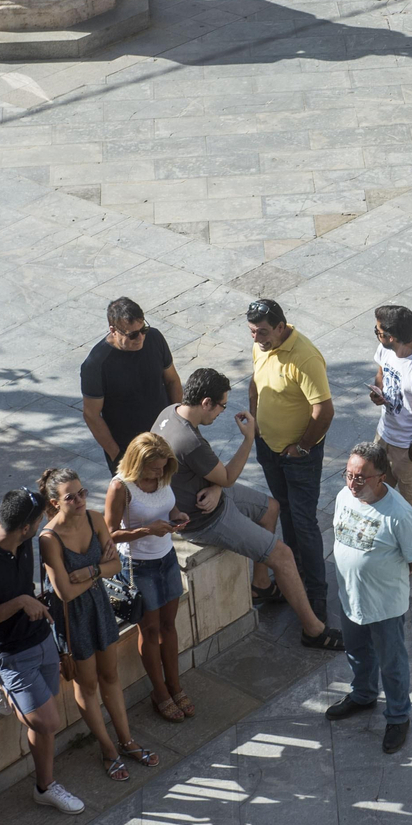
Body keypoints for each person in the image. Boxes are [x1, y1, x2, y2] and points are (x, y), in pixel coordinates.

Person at [151, 371, 343, 649]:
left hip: (208, 494)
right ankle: (314, 631)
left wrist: (217, 487)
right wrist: (249, 438)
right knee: (284, 555)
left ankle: (261, 586)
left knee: (271, 509)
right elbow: (227, 476)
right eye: (221, 406)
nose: (221, 412)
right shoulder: (190, 441)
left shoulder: (169, 413)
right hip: (204, 519)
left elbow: (213, 477)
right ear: (206, 402)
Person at [0, 489, 84, 815]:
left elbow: (56, 520)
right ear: (25, 527)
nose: (42, 524)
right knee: (48, 721)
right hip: (10, 653)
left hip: (41, 639)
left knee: (42, 724)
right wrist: (19, 603)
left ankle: (44, 786)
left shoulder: (23, 542)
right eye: (38, 520)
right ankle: (2, 683)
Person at [39, 468, 159, 781]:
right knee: (87, 684)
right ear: (54, 503)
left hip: (99, 606)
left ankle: (127, 740)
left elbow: (116, 564)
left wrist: (90, 572)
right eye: (70, 497)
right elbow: (64, 592)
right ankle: (108, 749)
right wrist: (98, 570)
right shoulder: (49, 539)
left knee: (110, 675)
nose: (79, 500)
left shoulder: (94, 519)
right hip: (73, 616)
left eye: (81, 493)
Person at [324, 442, 412, 755]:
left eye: (360, 478)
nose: (352, 483)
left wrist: (388, 575)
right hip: (350, 597)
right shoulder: (344, 496)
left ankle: (398, 717)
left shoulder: (399, 515)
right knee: (357, 651)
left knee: (392, 663)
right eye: (349, 475)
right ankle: (363, 695)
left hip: (384, 605)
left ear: (381, 477)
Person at [247, 298, 334, 622]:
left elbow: (324, 411)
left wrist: (302, 448)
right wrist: (256, 425)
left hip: (298, 457)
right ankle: (291, 578)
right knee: (286, 515)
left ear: (281, 327)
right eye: (253, 332)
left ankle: (316, 595)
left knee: (305, 523)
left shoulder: (305, 357)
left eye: (264, 332)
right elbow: (255, 383)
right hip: (269, 449)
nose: (257, 339)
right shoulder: (261, 346)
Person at [104, 433, 193, 721]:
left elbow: (169, 506)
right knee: (150, 630)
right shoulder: (121, 488)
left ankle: (176, 686)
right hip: (138, 565)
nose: (160, 473)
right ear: (138, 463)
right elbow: (109, 535)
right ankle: (160, 692)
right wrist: (145, 530)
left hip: (166, 559)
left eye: (163, 467)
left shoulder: (164, 476)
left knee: (170, 625)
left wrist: (178, 515)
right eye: (155, 468)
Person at [81, 297, 183, 476]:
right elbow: (91, 414)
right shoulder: (96, 365)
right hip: (130, 451)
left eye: (143, 329)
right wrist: (117, 455)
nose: (141, 337)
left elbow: (172, 381)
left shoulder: (155, 338)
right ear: (113, 330)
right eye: (132, 334)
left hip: (165, 439)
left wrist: (179, 424)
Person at [369, 305, 412, 525]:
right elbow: (381, 373)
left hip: (407, 445)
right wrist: (377, 392)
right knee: (379, 487)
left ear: (391, 337)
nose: (377, 334)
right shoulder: (386, 350)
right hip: (384, 436)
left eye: (378, 332)